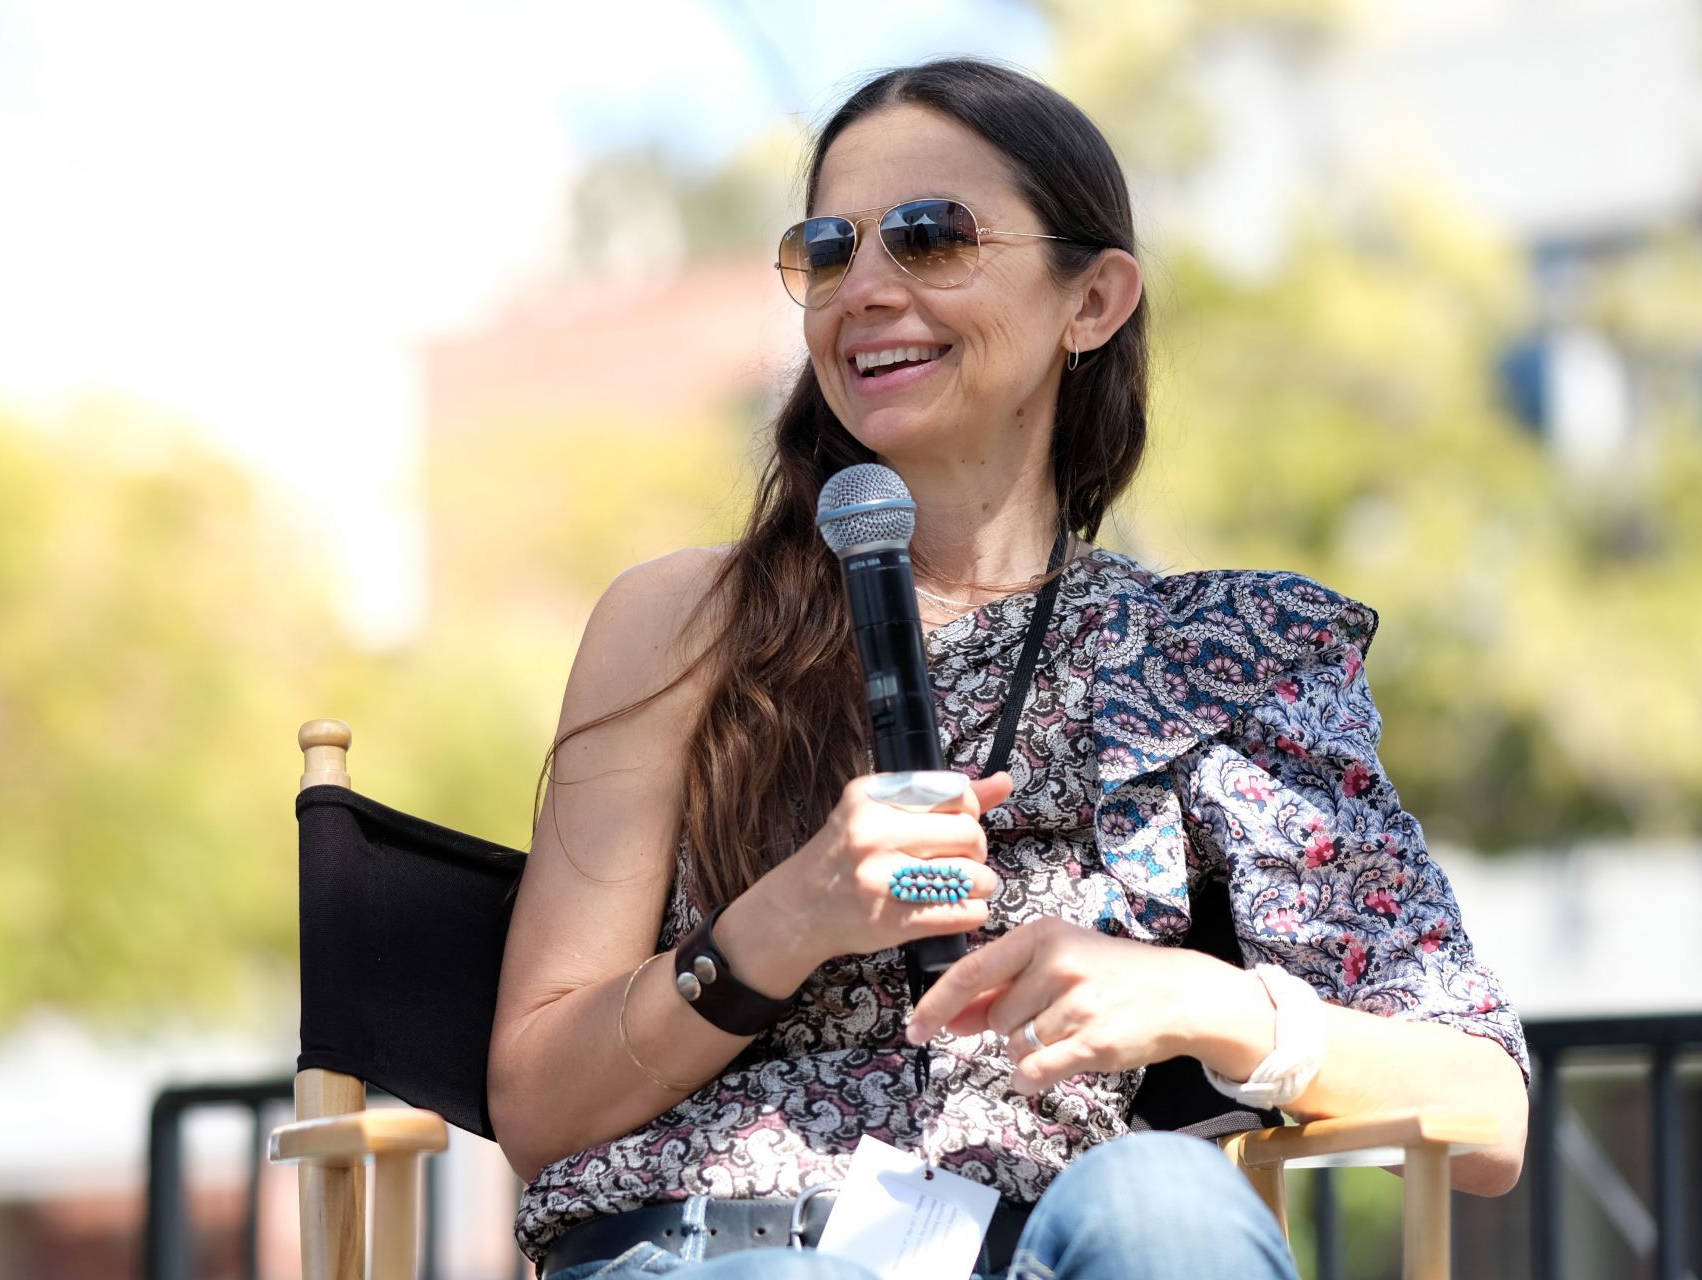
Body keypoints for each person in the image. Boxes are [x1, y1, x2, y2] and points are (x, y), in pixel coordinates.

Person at [488, 58, 1530, 1280]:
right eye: (830, 250)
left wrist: (1199, 997)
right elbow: (537, 1106)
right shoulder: (681, 624)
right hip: (714, 1250)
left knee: (1169, 1199)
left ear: (1092, 301)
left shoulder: (1221, 656)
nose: (866, 288)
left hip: (1035, 1245)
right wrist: (786, 917)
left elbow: (1486, 1108)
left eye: (931, 238)